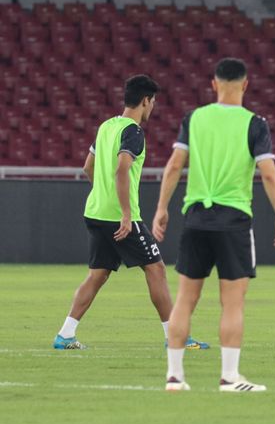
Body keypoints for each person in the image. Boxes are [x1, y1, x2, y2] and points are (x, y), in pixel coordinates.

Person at [152, 58, 275, 392]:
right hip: (233, 221)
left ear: (213, 84)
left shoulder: (194, 118)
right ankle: (229, 377)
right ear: (246, 84)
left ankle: (174, 376)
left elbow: (173, 167)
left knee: (185, 299)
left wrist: (161, 209)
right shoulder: (255, 123)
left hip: (196, 216)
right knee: (232, 302)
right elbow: (268, 172)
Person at [52, 75, 208, 351]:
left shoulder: (106, 126)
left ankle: (65, 335)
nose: (153, 108)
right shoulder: (133, 131)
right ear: (146, 100)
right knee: (156, 269)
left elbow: (88, 167)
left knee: (97, 275)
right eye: (153, 102)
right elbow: (122, 168)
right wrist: (125, 213)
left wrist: (103, 193)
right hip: (120, 218)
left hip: (96, 212)